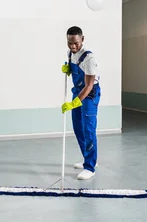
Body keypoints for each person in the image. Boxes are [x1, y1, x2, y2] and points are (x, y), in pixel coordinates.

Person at [61, 26, 101, 180]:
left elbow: (89, 85)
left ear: (82, 39)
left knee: (88, 128)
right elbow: (76, 73)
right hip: (77, 92)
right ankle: (88, 158)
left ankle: (90, 167)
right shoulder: (70, 53)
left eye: (76, 43)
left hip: (89, 95)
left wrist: (74, 103)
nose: (73, 46)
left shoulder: (89, 58)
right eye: (70, 43)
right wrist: (68, 70)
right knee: (78, 127)